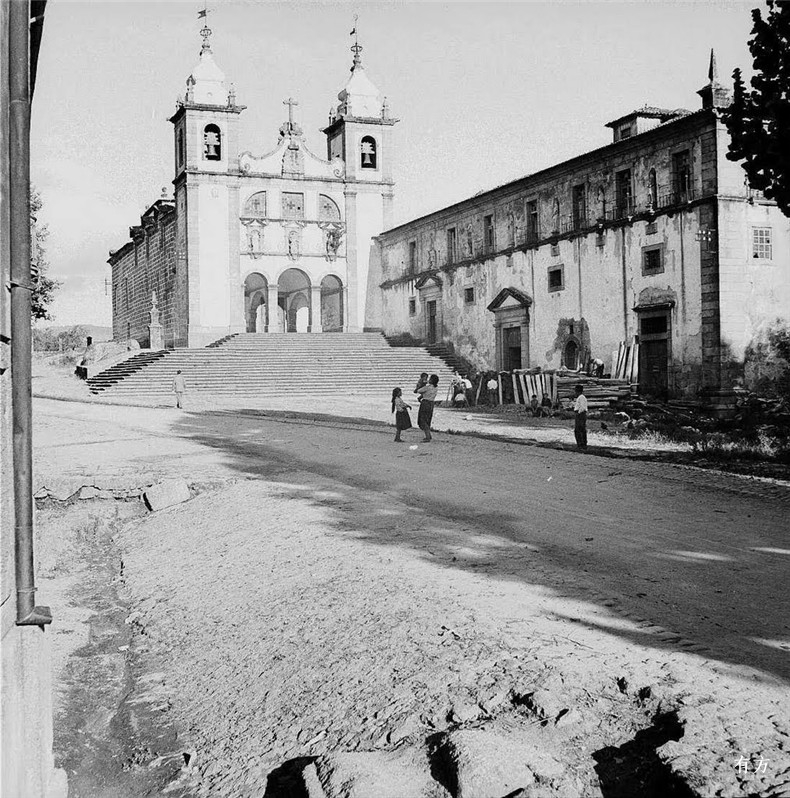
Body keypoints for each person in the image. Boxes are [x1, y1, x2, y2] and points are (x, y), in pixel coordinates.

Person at [416, 374, 439, 442]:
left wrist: (421, 384)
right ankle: (428, 434)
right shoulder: (436, 388)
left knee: (423, 419)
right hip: (431, 404)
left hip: (425, 403)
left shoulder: (427, 387)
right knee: (428, 419)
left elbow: (418, 391)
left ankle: (427, 436)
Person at [573, 383, 588, 450]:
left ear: (578, 391)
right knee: (581, 429)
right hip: (580, 414)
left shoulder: (581, 397)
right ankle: (582, 444)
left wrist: (578, 413)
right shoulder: (580, 397)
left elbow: (582, 407)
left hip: (580, 414)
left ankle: (581, 444)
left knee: (579, 430)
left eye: (575, 391)